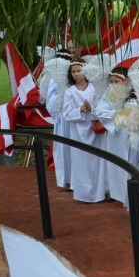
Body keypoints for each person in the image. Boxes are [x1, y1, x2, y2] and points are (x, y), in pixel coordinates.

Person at [62, 58, 108, 203]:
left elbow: (102, 107)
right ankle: (84, 194)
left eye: (79, 70)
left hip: (95, 131)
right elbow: (66, 113)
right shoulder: (69, 91)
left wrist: (92, 109)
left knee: (97, 160)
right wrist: (79, 110)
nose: (77, 74)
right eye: (74, 71)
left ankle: (101, 191)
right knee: (80, 161)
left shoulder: (94, 88)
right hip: (77, 131)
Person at [94, 66, 138, 208]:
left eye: (117, 81)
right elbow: (100, 110)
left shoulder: (136, 93)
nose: (113, 84)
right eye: (111, 81)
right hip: (118, 135)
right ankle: (121, 195)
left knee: (135, 165)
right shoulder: (108, 94)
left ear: (126, 80)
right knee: (119, 166)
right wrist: (118, 115)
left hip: (134, 135)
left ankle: (136, 196)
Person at [46, 47, 74, 189]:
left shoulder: (74, 76)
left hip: (74, 117)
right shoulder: (53, 79)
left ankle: (75, 179)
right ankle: (66, 180)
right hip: (62, 118)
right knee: (63, 148)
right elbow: (50, 100)